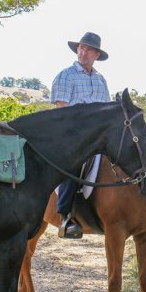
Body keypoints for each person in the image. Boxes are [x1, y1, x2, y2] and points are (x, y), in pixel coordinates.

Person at [51, 31, 111, 239]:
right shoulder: (66, 76)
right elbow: (62, 112)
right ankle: (66, 216)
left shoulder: (101, 80)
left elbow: (105, 111)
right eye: (81, 48)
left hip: (98, 135)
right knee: (73, 164)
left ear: (96, 55)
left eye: (88, 49)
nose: (83, 52)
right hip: (72, 134)